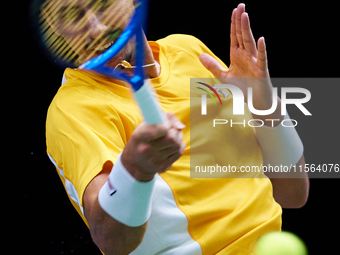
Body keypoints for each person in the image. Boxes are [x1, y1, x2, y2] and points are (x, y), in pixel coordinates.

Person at [45, 1, 309, 254]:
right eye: (72, 15)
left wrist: (264, 104)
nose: (96, 28)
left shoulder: (189, 49)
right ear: (55, 28)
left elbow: (293, 193)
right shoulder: (72, 109)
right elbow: (112, 241)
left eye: (103, 4)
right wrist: (136, 169)